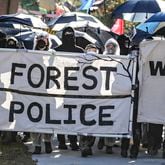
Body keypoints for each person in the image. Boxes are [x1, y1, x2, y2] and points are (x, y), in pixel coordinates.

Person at [55, 27, 84, 151]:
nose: (68, 38)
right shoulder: (56, 51)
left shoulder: (80, 51)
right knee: (60, 115)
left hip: (74, 89)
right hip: (59, 88)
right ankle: (61, 141)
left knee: (72, 116)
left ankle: (73, 141)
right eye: (66, 35)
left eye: (70, 35)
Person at [97, 38, 120, 154]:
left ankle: (109, 144)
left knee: (111, 119)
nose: (110, 48)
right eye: (108, 46)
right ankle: (101, 137)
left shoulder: (121, 61)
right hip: (102, 94)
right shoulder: (100, 59)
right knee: (101, 117)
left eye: (113, 46)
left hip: (114, 94)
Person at [31, 32, 53, 154]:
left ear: (47, 41)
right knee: (34, 118)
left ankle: (48, 142)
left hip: (48, 93)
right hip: (34, 93)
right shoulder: (30, 55)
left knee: (48, 118)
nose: (41, 42)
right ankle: (37, 145)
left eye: (43, 40)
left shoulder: (52, 55)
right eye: (39, 39)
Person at [79, 43, 99, 157]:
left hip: (96, 99)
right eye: (89, 51)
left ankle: (89, 144)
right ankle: (83, 145)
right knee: (82, 123)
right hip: (82, 98)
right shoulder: (80, 63)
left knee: (93, 124)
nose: (92, 53)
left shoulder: (101, 65)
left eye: (94, 51)